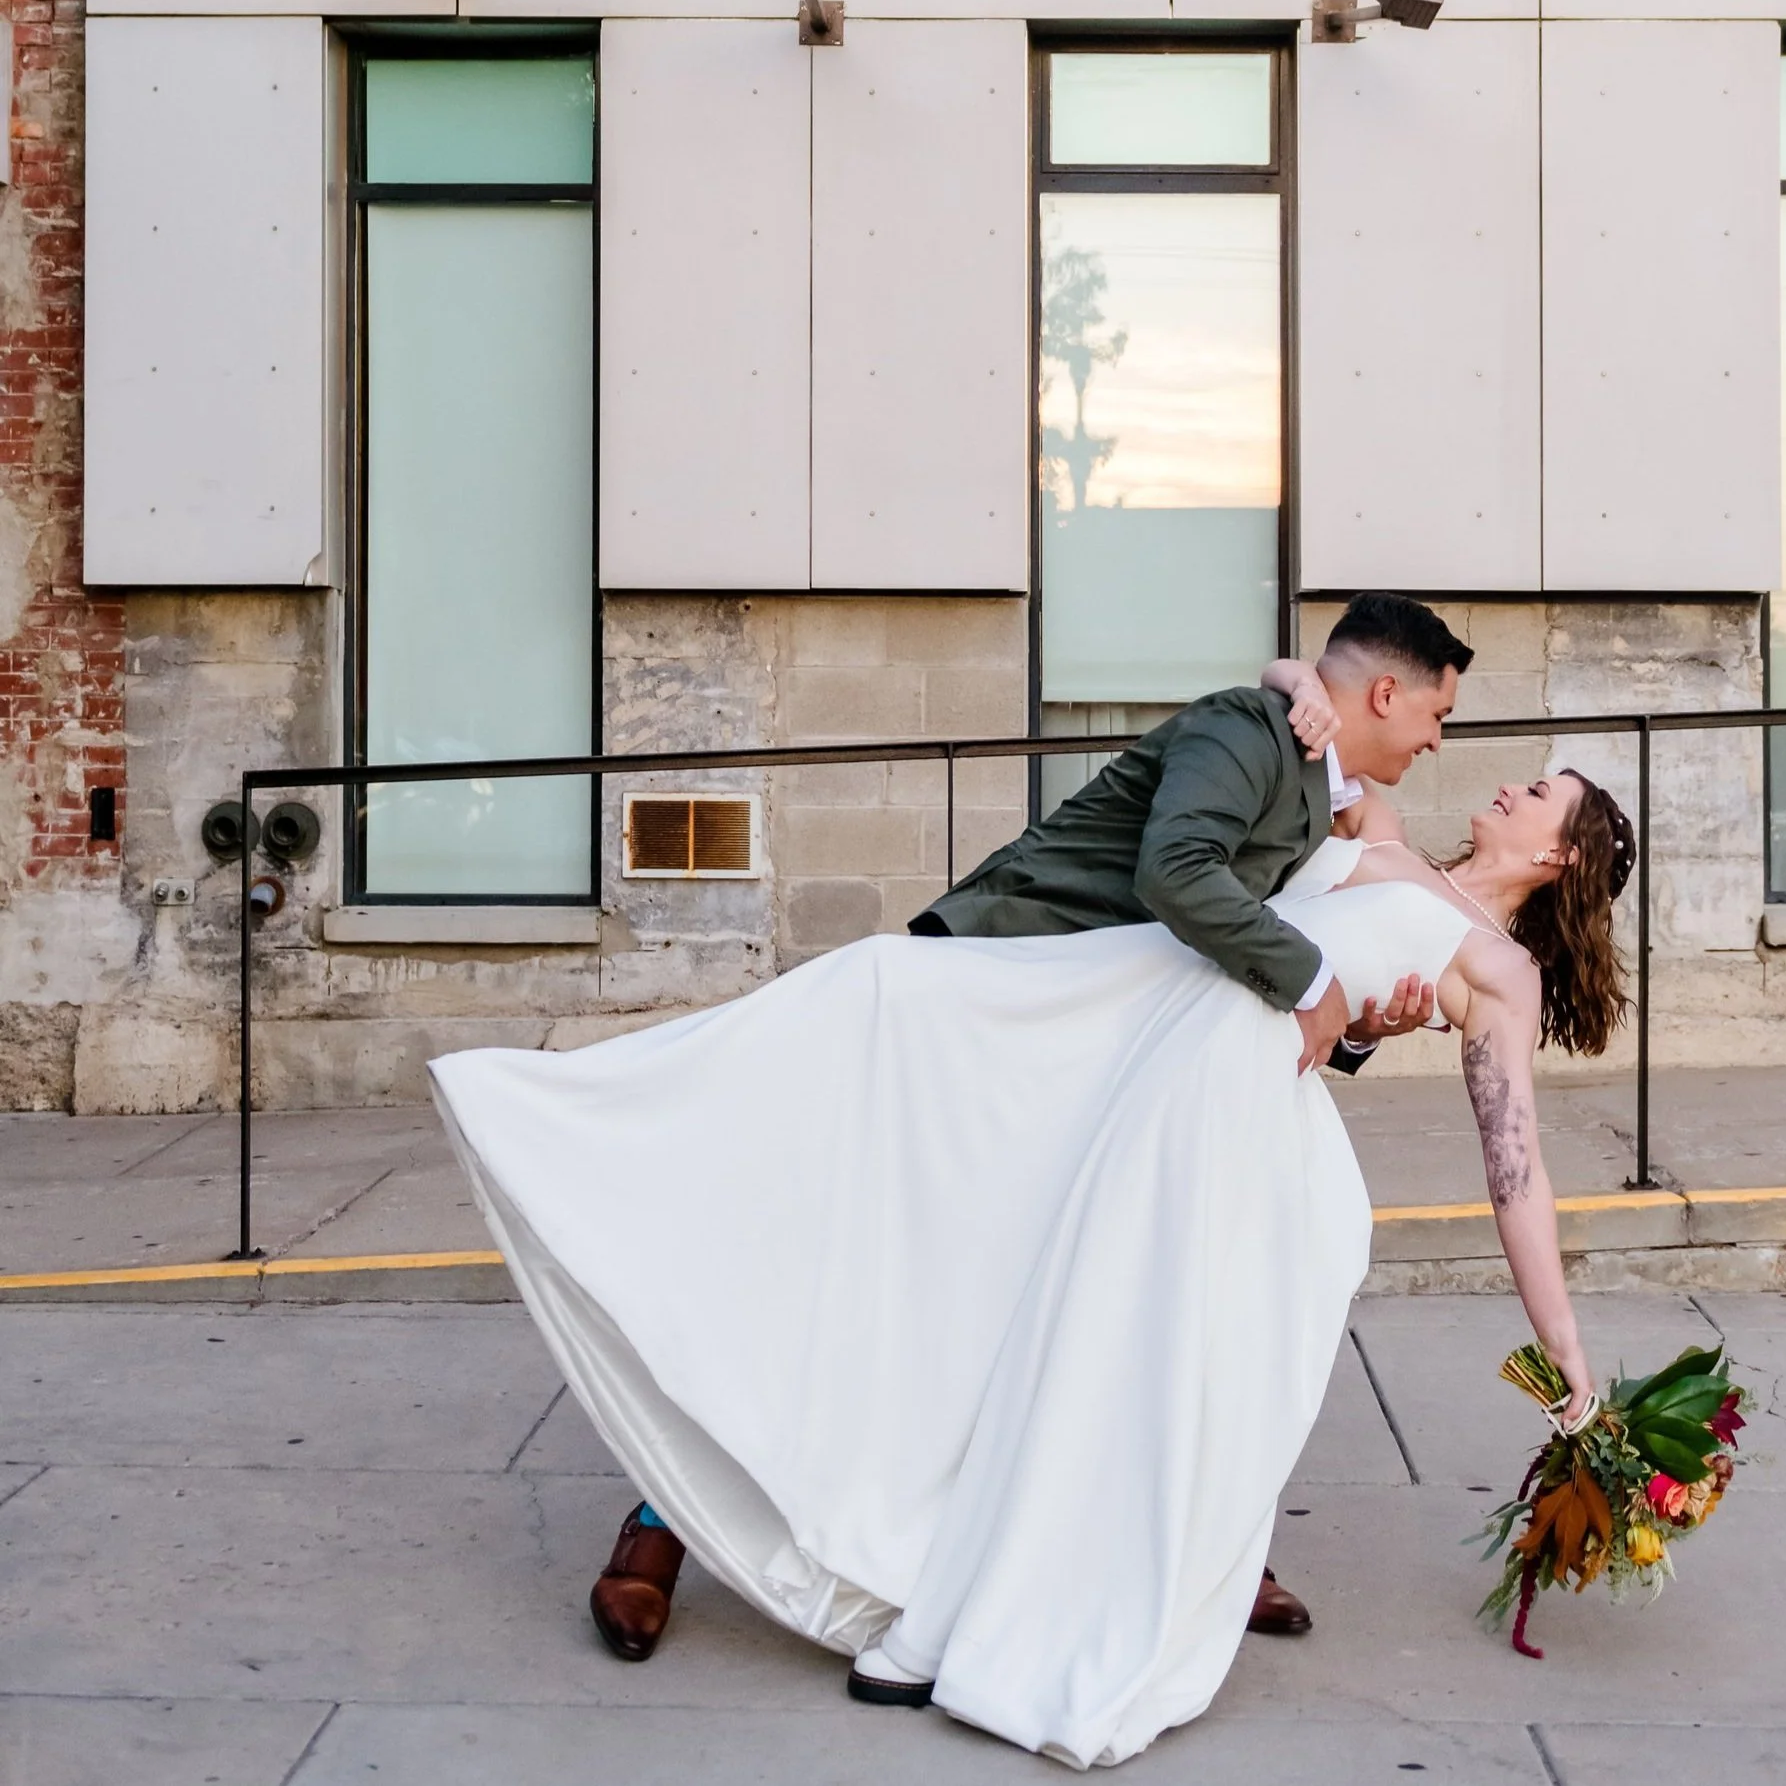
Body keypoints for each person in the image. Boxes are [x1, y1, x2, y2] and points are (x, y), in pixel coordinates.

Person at [428, 601, 1633, 1765]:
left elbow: (1511, 1170)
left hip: (1220, 1117)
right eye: (1444, 722)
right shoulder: (1375, 829)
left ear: (1559, 852)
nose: (1481, 767)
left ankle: (1174, 1558)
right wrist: (1290, 687)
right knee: (971, 1276)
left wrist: (1565, 1355)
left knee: (1146, 1346)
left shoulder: (1493, 972)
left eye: (1536, 794)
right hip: (1106, 1049)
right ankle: (680, 1501)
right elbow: (1272, 744)